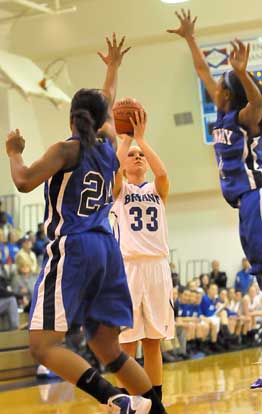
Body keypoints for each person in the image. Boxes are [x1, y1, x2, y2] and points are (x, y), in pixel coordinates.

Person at [6, 34, 166, 414]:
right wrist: (112, 69)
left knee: (42, 346)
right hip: (107, 250)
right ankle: (156, 411)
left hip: (74, 246)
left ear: (71, 117)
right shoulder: (110, 149)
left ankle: (116, 400)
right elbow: (106, 109)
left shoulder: (66, 149)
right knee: (107, 348)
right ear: (103, 119)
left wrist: (14, 152)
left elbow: (24, 180)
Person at [167, 8, 262, 387]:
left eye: (224, 88)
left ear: (231, 95)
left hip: (257, 199)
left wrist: (242, 73)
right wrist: (191, 39)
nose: (216, 90)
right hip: (245, 207)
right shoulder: (223, 114)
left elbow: (259, 103)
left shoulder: (245, 118)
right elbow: (204, 72)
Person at [113, 116, 174, 402]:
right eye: (132, 156)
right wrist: (126, 138)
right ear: (123, 165)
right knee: (127, 341)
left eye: (141, 156)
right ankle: (128, 401)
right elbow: (111, 169)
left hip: (157, 268)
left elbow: (162, 174)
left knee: (153, 341)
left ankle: (155, 401)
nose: (137, 157)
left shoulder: (156, 190)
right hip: (128, 268)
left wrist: (142, 140)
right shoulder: (119, 191)